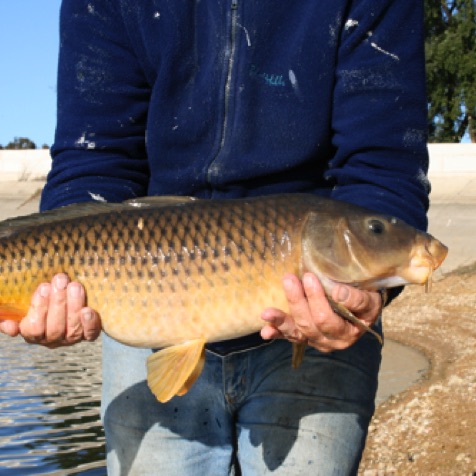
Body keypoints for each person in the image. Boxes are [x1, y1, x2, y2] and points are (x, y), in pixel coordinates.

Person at [0, 1, 430, 474]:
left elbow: (385, 163)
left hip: (317, 335)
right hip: (145, 304)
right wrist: (52, 300)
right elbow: (96, 157)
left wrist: (367, 295)